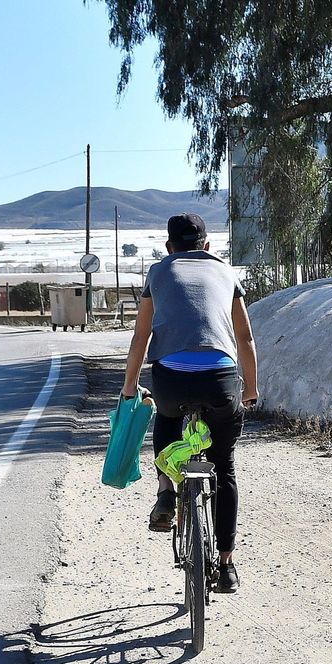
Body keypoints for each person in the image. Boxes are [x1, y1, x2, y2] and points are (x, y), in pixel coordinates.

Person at [119, 213, 258, 593]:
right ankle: (227, 566)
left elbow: (141, 337)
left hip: (172, 380)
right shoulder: (226, 273)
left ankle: (166, 488)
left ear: (169, 248)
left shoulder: (158, 273)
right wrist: (250, 389)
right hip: (220, 380)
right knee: (224, 466)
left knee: (166, 417)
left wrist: (130, 387)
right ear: (207, 246)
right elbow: (244, 339)